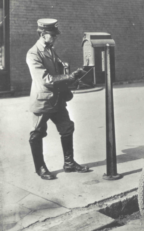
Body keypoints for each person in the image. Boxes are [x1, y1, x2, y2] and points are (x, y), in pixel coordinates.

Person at [26, 18, 89, 180]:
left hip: (57, 99)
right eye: (51, 35)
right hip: (43, 100)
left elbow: (57, 70)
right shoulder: (33, 53)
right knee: (37, 133)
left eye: (55, 35)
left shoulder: (50, 50)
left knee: (67, 127)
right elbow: (46, 79)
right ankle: (40, 168)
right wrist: (70, 76)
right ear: (42, 34)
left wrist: (73, 76)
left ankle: (69, 163)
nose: (55, 38)